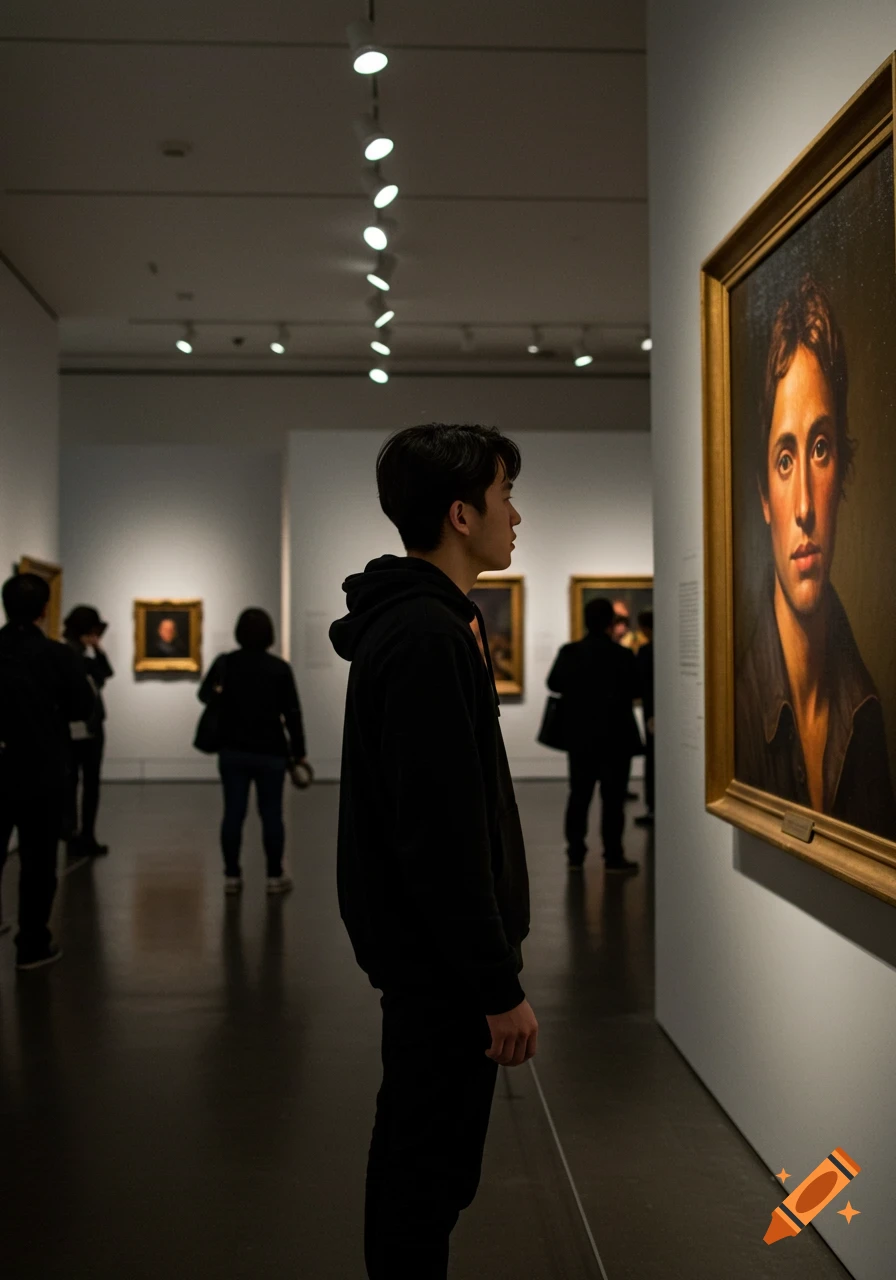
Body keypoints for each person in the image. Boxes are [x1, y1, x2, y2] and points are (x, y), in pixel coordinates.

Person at [329, 423, 536, 1279]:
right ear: (461, 513)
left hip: (429, 962)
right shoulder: (425, 637)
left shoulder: (425, 624)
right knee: (425, 1178)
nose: (516, 516)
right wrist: (497, 987)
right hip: (442, 973)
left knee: (424, 1168)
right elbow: (442, 839)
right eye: (504, 494)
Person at [736, 276, 896, 836]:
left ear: (843, 469)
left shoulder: (866, 712)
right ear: (762, 495)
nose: (804, 504)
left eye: (821, 448)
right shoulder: (735, 701)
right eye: (785, 458)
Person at [0, 573, 94, 968]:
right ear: (44, 611)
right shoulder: (58, 656)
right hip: (42, 769)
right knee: (39, 861)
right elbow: (81, 708)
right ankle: (32, 943)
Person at [199, 608, 309, 894]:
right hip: (271, 751)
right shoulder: (279, 669)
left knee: (233, 813)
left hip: (233, 750)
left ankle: (232, 877)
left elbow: (203, 695)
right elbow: (293, 714)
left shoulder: (226, 664)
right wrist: (300, 753)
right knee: (271, 814)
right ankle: (274, 876)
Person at [547, 596, 643, 872]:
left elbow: (553, 682)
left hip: (581, 737)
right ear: (610, 623)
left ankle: (575, 853)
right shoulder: (622, 656)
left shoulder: (570, 652)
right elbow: (636, 689)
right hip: (616, 738)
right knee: (613, 801)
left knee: (579, 795)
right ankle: (613, 856)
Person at [63, 605, 113, 859]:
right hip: (79, 728)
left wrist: (96, 648)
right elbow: (104, 673)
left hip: (85, 728)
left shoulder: (75, 652)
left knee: (77, 783)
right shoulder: (72, 655)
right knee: (84, 783)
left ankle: (80, 836)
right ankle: (81, 836)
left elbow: (105, 673)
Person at [635, 610, 655, 827]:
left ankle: (653, 807)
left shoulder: (646, 652)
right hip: (655, 712)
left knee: (653, 757)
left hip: (651, 712)